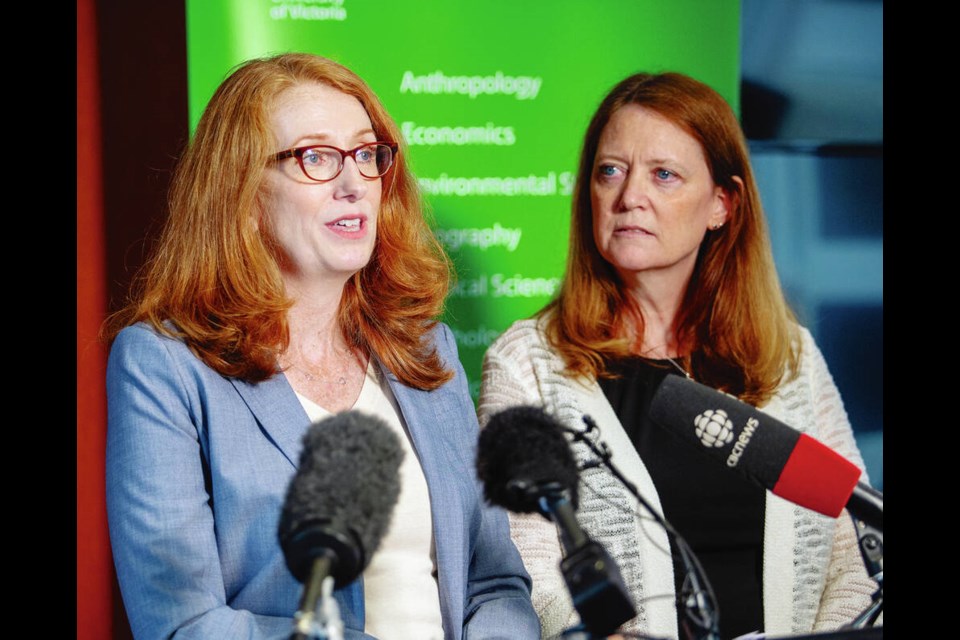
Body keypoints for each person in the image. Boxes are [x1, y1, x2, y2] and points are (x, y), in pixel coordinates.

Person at [103, 52, 540, 640]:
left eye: (366, 154)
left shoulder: (424, 348)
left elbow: (495, 584)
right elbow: (182, 624)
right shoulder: (163, 366)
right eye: (315, 157)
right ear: (242, 195)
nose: (355, 182)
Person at [477, 72, 878, 639]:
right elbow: (525, 568)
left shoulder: (789, 355)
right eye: (610, 171)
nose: (629, 196)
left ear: (721, 204)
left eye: (663, 175)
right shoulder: (527, 364)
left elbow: (857, 549)